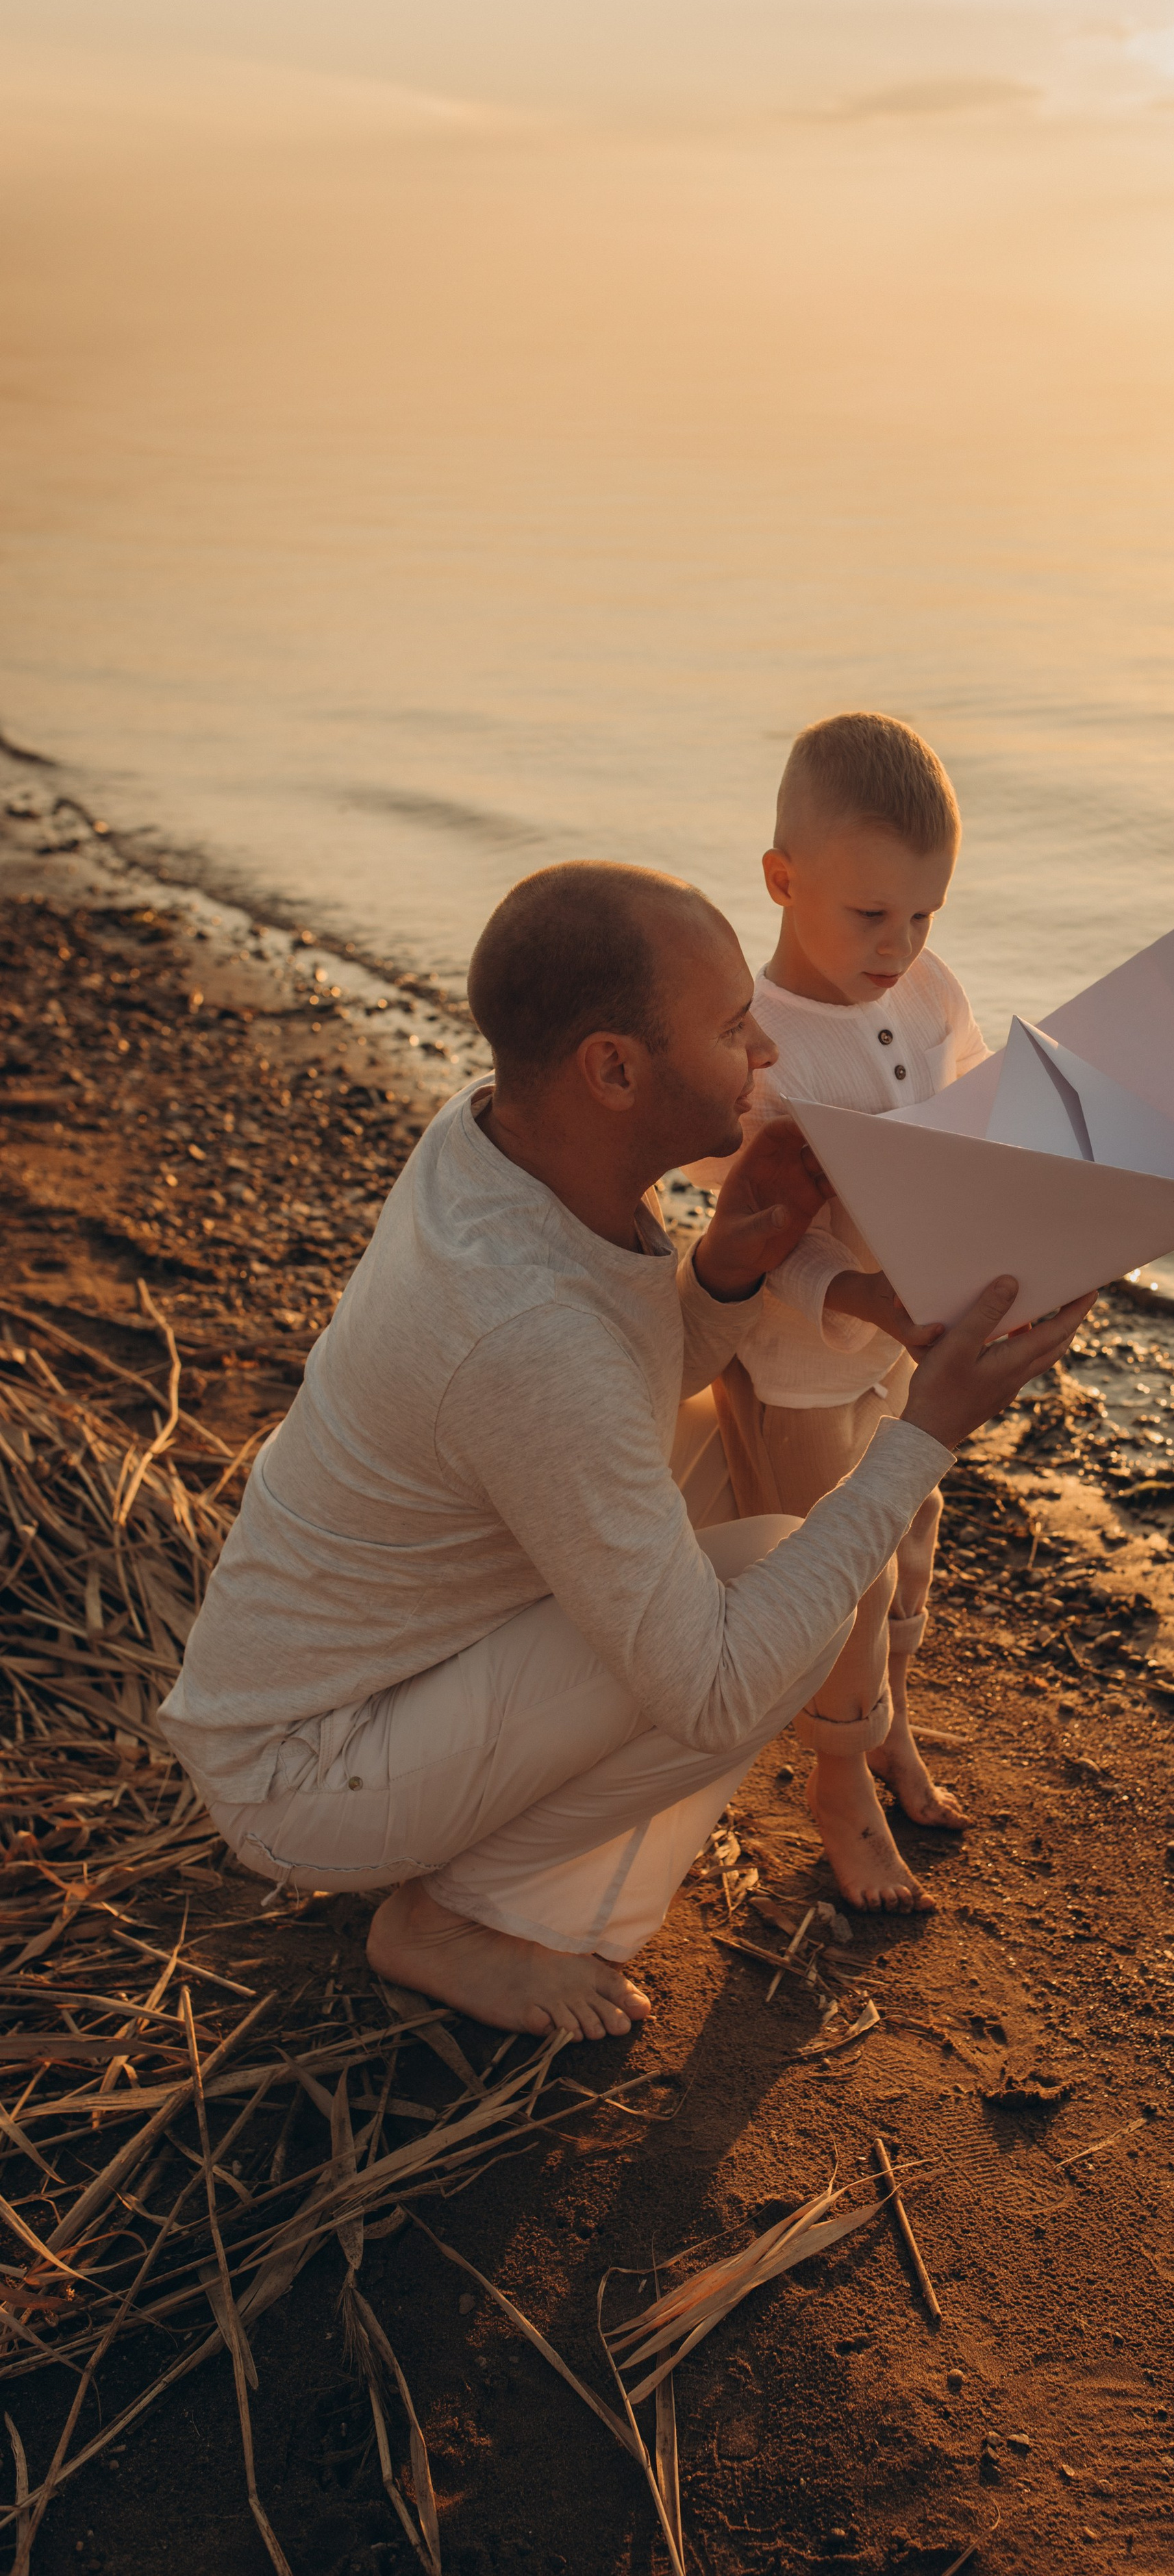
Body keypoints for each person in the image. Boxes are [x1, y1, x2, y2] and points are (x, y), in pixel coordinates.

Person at [159, 862, 1089, 2043]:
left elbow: (623, 1370)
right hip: (310, 1772)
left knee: (720, 1462)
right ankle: (451, 1919)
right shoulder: (525, 1331)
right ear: (613, 1069)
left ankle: (475, 1865)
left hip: (381, 1650)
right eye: (733, 1026)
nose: (765, 1052)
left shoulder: (499, 1142)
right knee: (764, 1590)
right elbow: (714, 1687)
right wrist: (927, 1434)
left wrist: (728, 1271)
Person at [697, 712, 990, 1915]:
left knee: (912, 1533)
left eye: (925, 914)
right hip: (800, 1362)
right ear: (782, 880)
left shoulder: (926, 991)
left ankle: (890, 1726)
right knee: (844, 1575)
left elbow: (972, 1111)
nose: (901, 943)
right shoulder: (764, 1055)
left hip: (902, 1347)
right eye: (872, 915)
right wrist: (870, 1290)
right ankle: (837, 1785)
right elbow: (765, 1252)